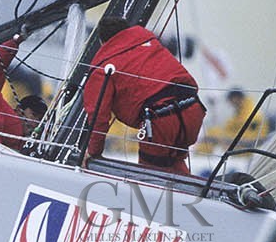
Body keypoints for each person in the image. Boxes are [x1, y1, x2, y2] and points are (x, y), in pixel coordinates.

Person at [82, 14, 206, 175]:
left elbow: (98, 115)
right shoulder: (150, 43)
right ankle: (196, 196)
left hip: (161, 120)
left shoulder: (104, 65)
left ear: (102, 42)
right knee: (174, 164)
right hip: (193, 109)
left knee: (150, 177)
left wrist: (93, 151)